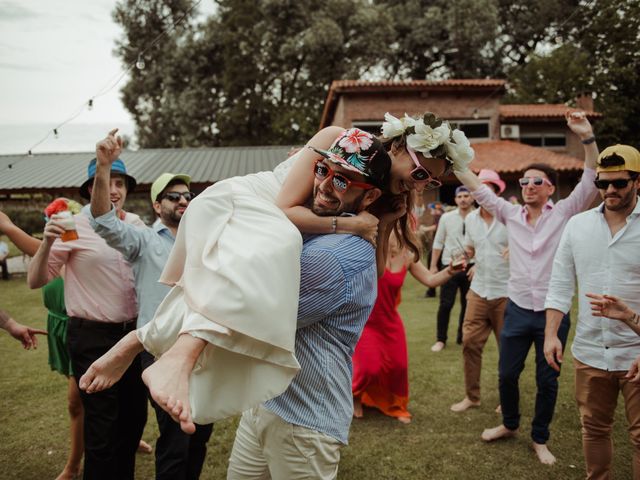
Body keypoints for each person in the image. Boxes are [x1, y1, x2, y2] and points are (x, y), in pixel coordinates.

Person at [76, 112, 473, 434]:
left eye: (432, 181)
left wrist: (383, 219)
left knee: (241, 281)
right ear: (400, 146)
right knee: (273, 256)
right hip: (250, 205)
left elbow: (372, 262)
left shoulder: (385, 196)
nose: (420, 185)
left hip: (282, 228)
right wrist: (348, 225)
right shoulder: (339, 136)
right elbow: (284, 210)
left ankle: (139, 342)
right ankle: (172, 357)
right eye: (420, 173)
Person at [225, 133, 388, 479]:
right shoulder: (317, 231)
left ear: (370, 195)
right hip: (266, 399)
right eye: (322, 170)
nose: (325, 185)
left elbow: (261, 315)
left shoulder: (338, 255)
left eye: (342, 180)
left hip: (303, 419)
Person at [453, 111, 599, 464]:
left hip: (553, 312)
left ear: (550, 187)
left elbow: (591, 179)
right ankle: (510, 424)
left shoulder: (563, 213)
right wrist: (453, 156)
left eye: (536, 182)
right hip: (516, 308)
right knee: (506, 373)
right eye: (524, 182)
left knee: (547, 380)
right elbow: (475, 187)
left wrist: (587, 137)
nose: (529, 186)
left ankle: (540, 438)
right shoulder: (508, 214)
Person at [80, 149, 213, 480]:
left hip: (203, 348)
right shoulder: (142, 240)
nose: (183, 201)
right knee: (176, 439)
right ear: (157, 205)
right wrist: (104, 165)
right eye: (173, 196)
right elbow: (102, 219)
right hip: (159, 352)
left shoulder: (204, 242)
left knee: (200, 434)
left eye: (187, 195)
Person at [27, 158, 148, 480]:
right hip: (93, 336)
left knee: (133, 420)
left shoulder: (136, 224)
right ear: (90, 190)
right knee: (102, 429)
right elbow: (35, 280)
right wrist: (47, 242)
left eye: (119, 183)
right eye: (104, 182)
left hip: (134, 337)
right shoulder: (72, 226)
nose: (113, 189)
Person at [544, 144, 640, 479]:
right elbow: (559, 283)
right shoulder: (577, 225)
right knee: (594, 429)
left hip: (637, 352)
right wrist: (551, 334)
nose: (610, 190)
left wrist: (629, 316)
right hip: (589, 350)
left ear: (637, 181)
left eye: (619, 183)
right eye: (603, 183)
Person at [353, 232, 466, 424]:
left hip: (390, 322)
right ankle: (355, 396)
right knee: (369, 369)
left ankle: (395, 405)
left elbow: (430, 280)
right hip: (366, 322)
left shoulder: (407, 255)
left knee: (399, 367)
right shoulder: (367, 249)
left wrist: (450, 271)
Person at [450, 169, 509, 413]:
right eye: (478, 189)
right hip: (479, 290)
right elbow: (472, 248)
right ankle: (472, 397)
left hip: (506, 292)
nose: (482, 194)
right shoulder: (471, 220)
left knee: (508, 350)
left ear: (496, 192)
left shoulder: (510, 216)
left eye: (488, 189)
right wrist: (464, 257)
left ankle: (507, 399)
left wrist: (516, 249)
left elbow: (531, 242)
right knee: (470, 343)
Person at [429, 186, 475, 351]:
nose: (463, 199)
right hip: (449, 264)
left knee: (467, 303)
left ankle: (462, 338)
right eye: (460, 196)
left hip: (471, 265)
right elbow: (438, 242)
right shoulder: (446, 218)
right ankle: (441, 339)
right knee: (446, 304)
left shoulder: (477, 217)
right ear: (455, 200)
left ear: (472, 198)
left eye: (466, 196)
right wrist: (433, 265)